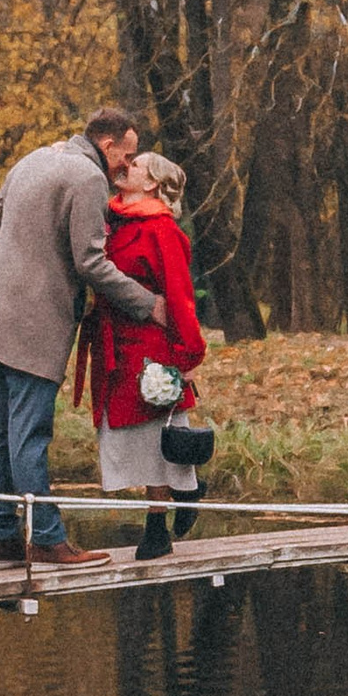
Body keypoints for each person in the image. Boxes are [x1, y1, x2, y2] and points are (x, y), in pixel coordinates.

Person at [0, 107, 162, 565]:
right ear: (107, 146)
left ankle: (1, 538)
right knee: (29, 433)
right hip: (36, 321)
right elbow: (91, 263)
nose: (126, 169)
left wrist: (26, 258)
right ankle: (48, 539)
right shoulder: (87, 179)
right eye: (126, 158)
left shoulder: (32, 159)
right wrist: (149, 303)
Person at [76, 149, 207, 560]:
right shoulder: (111, 221)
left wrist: (188, 356)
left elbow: (180, 296)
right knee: (125, 438)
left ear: (150, 183)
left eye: (135, 165)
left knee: (154, 436)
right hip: (114, 345)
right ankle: (188, 490)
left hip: (152, 347)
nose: (125, 166)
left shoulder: (161, 230)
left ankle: (157, 528)